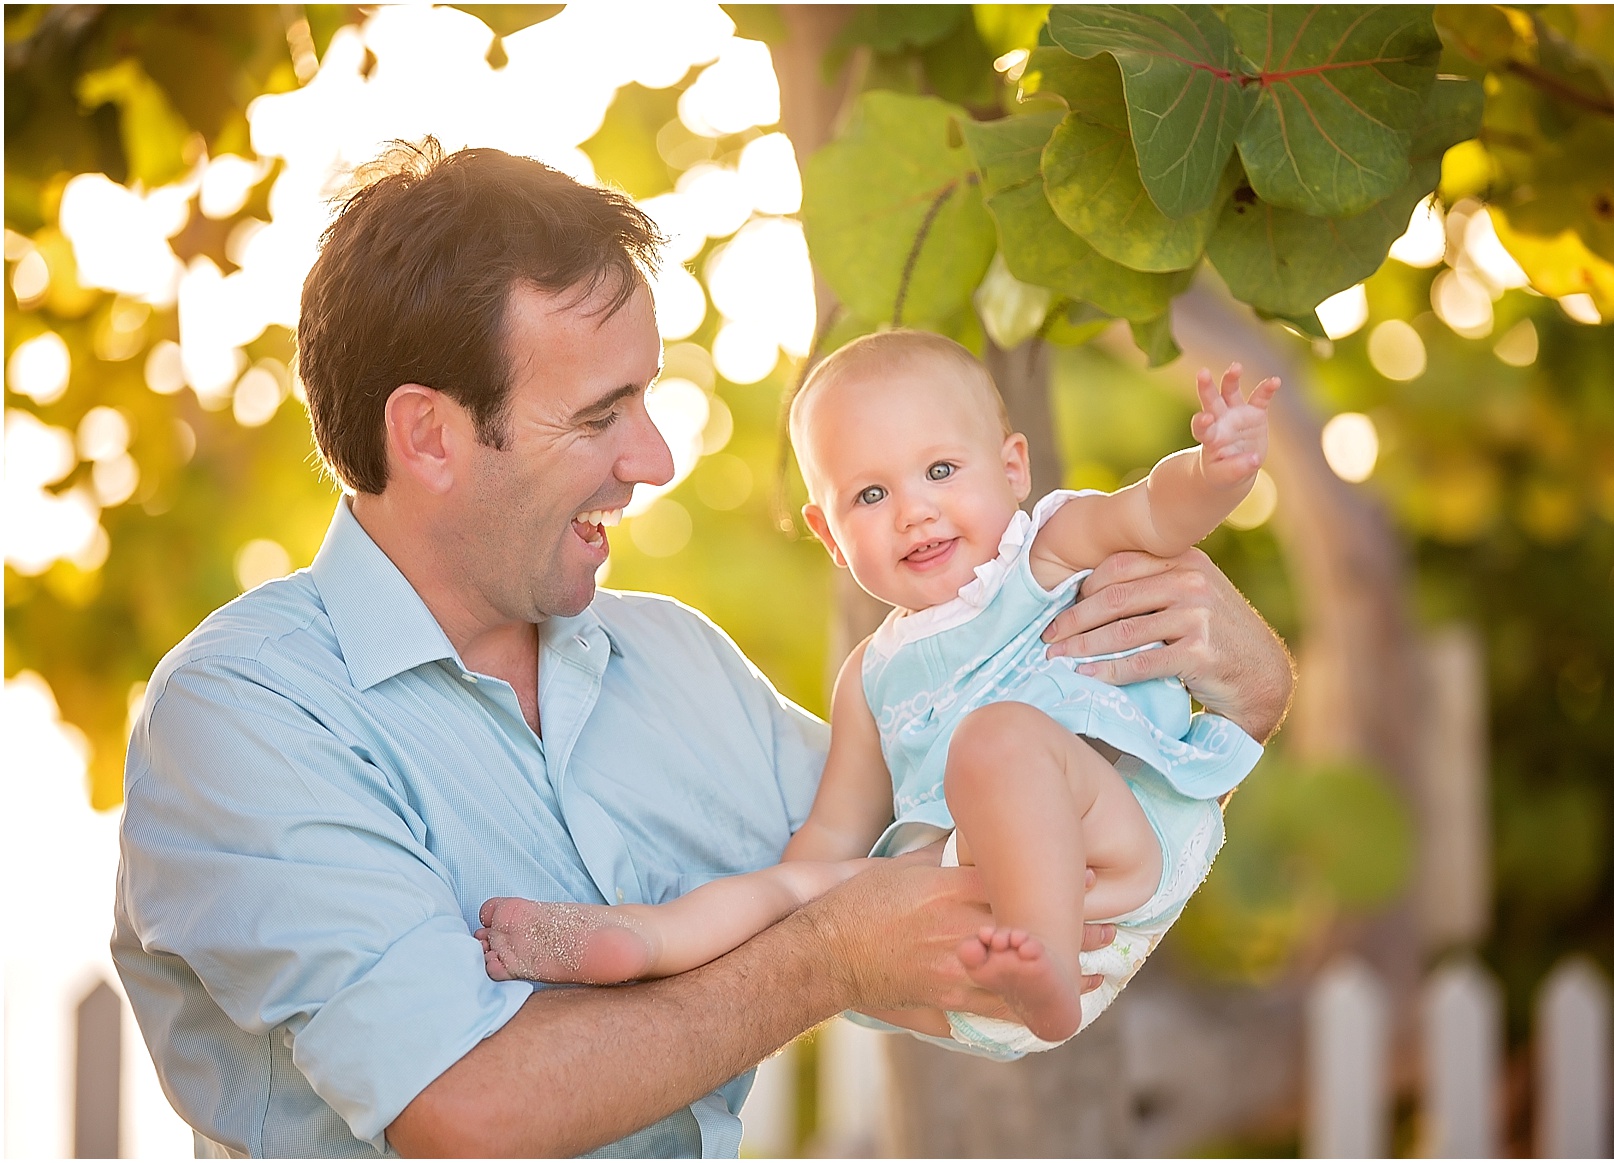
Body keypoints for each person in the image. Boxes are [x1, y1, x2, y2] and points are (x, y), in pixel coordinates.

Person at [112, 141, 1295, 1158]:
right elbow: (461, 1113)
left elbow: (974, 917)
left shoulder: (678, 666)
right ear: (428, 433)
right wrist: (825, 957)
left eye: (647, 398)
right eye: (598, 415)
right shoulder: (242, 714)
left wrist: (1232, 708)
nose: (655, 459)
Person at [477, 332, 1277, 1060]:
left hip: (1108, 849)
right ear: (828, 534)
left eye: (939, 471)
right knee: (789, 888)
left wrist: (1215, 470)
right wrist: (793, 898)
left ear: (1013, 469)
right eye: (870, 496)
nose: (913, 511)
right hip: (957, 915)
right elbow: (833, 830)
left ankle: (1045, 967)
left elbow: (1154, 511)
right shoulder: (871, 672)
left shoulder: (1044, 553)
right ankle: (636, 939)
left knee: (998, 739)